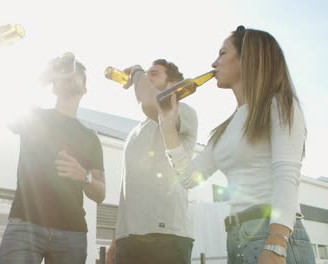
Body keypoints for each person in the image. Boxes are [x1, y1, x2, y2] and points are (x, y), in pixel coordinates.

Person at [159, 26, 315, 263]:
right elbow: (189, 178)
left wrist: (276, 244)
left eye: (222, 53)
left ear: (248, 57)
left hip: (273, 235)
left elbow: (287, 174)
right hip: (237, 238)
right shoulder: (224, 129)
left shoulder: (278, 103)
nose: (214, 63)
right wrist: (168, 128)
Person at [0, 53, 106, 264]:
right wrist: (47, 75)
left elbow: (101, 193)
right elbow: (7, 104)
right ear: (53, 86)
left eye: (77, 75)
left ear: (85, 89)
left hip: (71, 234)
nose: (70, 76)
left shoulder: (90, 138)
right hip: (25, 225)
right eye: (66, 74)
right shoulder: (34, 116)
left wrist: (83, 176)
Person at [108, 59, 198, 264]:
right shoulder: (134, 132)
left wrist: (138, 72)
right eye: (146, 73)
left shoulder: (184, 112)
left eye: (154, 73)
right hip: (129, 239)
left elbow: (152, 104)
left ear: (173, 83)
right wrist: (118, 236)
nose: (147, 77)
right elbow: (129, 191)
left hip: (167, 236)